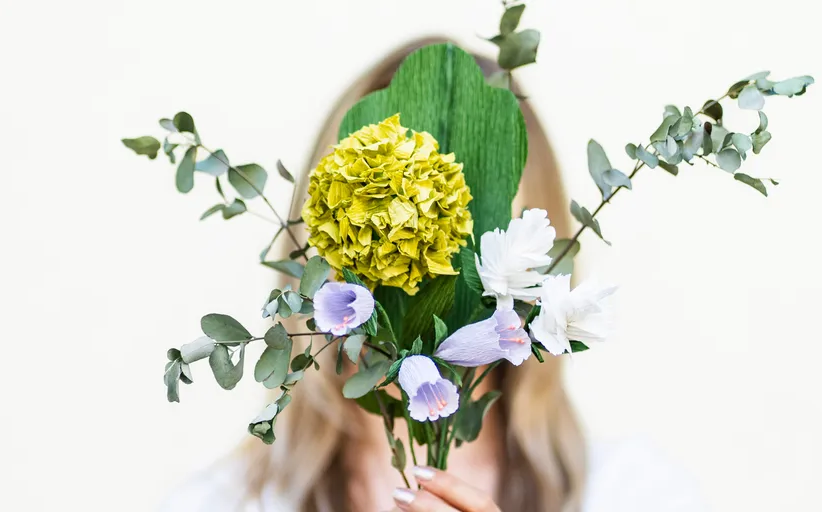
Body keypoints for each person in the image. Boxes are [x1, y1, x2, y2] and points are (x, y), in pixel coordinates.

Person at [161, 38, 709, 512]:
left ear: (534, 269)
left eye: (459, 240)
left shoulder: (636, 494)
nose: (416, 278)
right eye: (376, 225)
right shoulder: (220, 503)